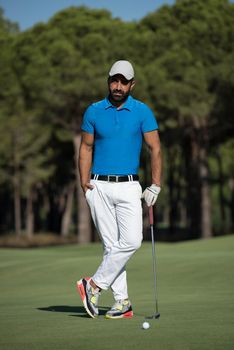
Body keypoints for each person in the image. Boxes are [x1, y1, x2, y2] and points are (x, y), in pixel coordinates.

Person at [77, 60, 162, 319]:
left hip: (129, 186)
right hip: (98, 185)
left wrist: (155, 184)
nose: (117, 86)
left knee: (132, 241)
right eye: (114, 80)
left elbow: (155, 148)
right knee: (111, 246)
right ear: (108, 81)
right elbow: (85, 148)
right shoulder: (93, 111)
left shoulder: (142, 111)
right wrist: (84, 183)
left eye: (123, 82)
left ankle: (92, 285)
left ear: (131, 84)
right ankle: (122, 302)